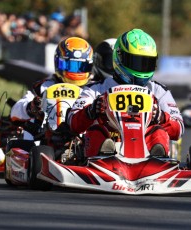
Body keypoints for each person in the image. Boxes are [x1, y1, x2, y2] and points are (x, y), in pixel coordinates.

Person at [67, 28, 184, 158]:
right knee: (96, 131)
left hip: (145, 150)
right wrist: (91, 111)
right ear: (119, 57)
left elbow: (178, 128)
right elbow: (73, 122)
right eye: (135, 62)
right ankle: (105, 153)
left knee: (157, 131)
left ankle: (158, 158)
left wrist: (161, 117)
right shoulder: (96, 89)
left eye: (146, 63)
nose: (140, 68)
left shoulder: (158, 90)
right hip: (107, 151)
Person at [10, 36, 93, 138]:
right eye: (69, 65)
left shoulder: (93, 89)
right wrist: (31, 107)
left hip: (83, 141)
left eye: (80, 67)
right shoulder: (43, 87)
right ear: (58, 63)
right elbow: (15, 112)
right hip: (44, 140)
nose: (74, 71)